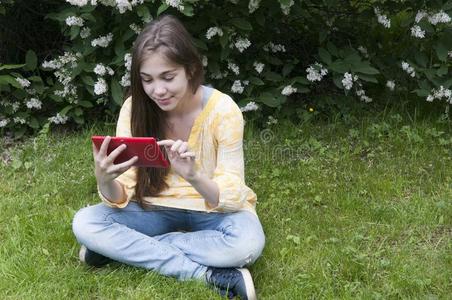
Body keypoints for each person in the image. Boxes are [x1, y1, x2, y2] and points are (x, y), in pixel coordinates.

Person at [72, 14, 265, 300]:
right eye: (147, 80)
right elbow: (122, 194)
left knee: (247, 243)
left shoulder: (224, 111)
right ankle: (207, 276)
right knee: (86, 222)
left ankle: (124, 250)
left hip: (213, 213)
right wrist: (104, 180)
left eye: (168, 77)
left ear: (191, 69)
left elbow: (233, 194)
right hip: (153, 209)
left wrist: (194, 176)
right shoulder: (134, 108)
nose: (157, 91)